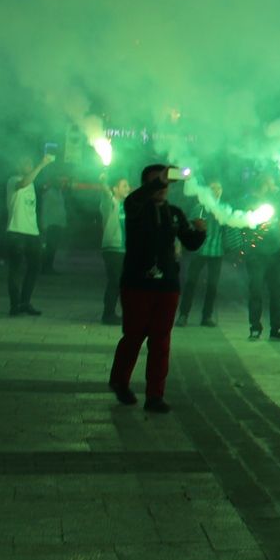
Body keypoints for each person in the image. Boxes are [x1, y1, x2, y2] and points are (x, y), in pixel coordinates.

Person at [108, 165, 208, 413]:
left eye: (165, 183)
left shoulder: (174, 212)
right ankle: (120, 382)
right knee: (134, 336)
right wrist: (154, 183)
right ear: (145, 185)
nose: (162, 188)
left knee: (161, 340)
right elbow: (132, 201)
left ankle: (155, 395)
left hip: (167, 285)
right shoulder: (136, 208)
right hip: (137, 283)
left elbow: (190, 243)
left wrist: (201, 232)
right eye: (156, 183)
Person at [242, 185, 280, 342]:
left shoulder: (273, 205)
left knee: (277, 294)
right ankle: (255, 328)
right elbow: (245, 227)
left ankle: (276, 329)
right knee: (256, 292)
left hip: (275, 256)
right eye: (268, 185)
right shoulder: (249, 203)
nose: (271, 188)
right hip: (256, 256)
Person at [4, 152, 52, 316]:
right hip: (16, 232)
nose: (30, 164)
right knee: (16, 269)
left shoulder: (32, 184)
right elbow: (23, 183)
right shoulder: (13, 180)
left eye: (31, 162)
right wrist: (41, 164)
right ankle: (14, 305)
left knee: (34, 268)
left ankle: (25, 302)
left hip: (32, 233)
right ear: (18, 166)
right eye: (26, 162)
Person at [176, 181, 227, 327]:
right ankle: (183, 315)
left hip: (217, 252)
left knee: (212, 286)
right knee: (191, 283)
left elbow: (228, 231)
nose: (216, 190)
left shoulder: (224, 209)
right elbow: (186, 227)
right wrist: (179, 245)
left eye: (219, 187)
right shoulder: (199, 208)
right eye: (213, 188)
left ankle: (207, 317)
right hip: (199, 251)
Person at [98, 177, 129, 325]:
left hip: (125, 250)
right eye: (124, 186)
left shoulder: (127, 206)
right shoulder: (110, 204)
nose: (127, 188)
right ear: (115, 189)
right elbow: (106, 195)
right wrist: (104, 182)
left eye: (128, 186)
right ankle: (108, 314)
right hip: (112, 248)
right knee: (115, 281)